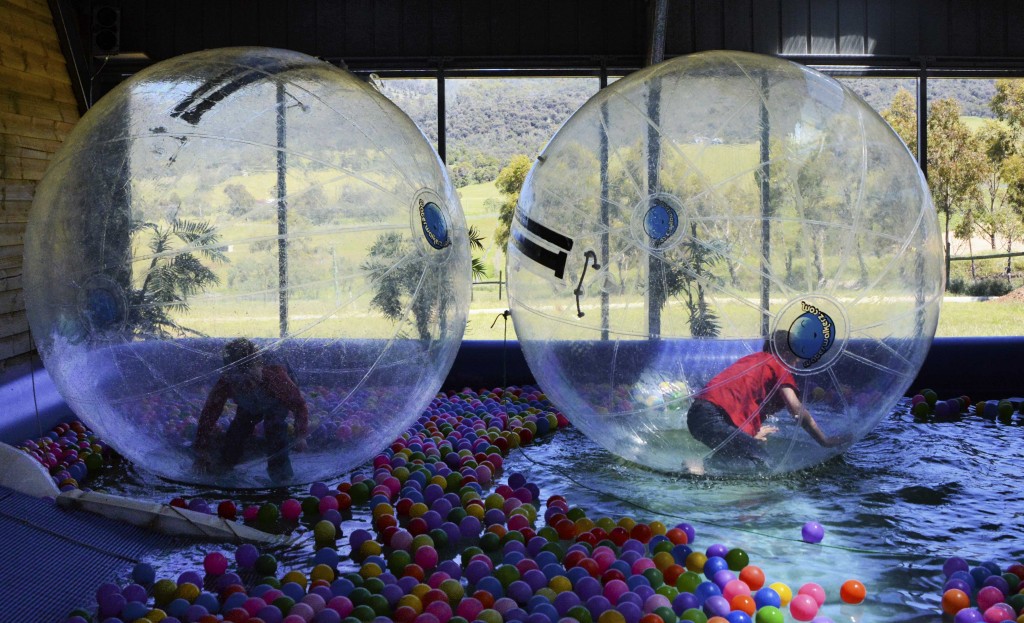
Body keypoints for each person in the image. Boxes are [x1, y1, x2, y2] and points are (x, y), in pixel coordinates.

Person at [686, 330, 847, 470]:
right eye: (796, 357)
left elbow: (735, 403)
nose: (797, 363)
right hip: (713, 416)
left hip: (698, 415)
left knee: (741, 455)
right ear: (785, 354)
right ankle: (701, 466)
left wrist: (750, 435)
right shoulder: (778, 364)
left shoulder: (752, 361)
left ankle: (703, 468)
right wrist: (824, 440)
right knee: (764, 463)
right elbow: (796, 410)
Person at [194, 338, 308, 481]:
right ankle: (226, 464)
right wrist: (202, 449)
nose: (247, 386)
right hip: (249, 406)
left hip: (275, 402)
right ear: (228, 374)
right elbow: (209, 414)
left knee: (275, 428)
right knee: (237, 430)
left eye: (251, 379)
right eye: (239, 383)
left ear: (260, 366)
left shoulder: (276, 379)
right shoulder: (226, 383)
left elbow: (299, 406)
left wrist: (300, 436)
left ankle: (281, 475)